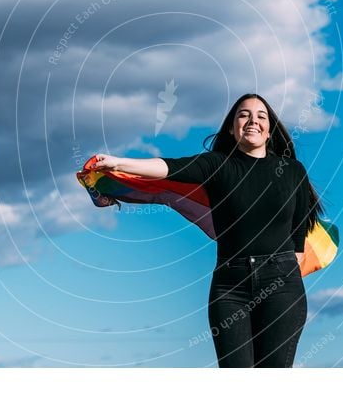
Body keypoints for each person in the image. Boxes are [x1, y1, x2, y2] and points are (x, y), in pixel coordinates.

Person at [88, 93, 324, 367]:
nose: (252, 120)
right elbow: (169, 167)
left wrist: (282, 277)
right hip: (230, 286)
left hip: (282, 286)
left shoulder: (292, 171)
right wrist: (117, 163)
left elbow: (297, 237)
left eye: (261, 116)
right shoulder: (217, 165)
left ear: (270, 130)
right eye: (243, 114)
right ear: (231, 127)